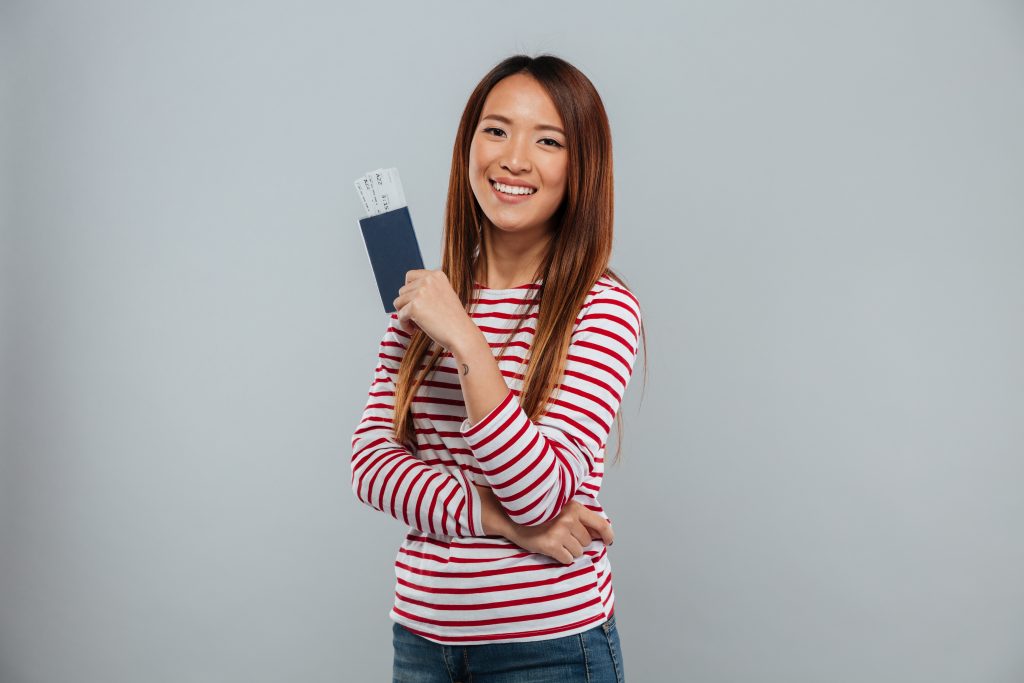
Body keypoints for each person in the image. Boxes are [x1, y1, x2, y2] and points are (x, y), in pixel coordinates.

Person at [350, 53, 646, 683]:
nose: (514, 158)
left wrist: (467, 342)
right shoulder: (423, 301)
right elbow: (372, 466)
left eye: (548, 140)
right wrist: (498, 519)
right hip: (422, 640)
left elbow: (542, 494)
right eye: (496, 129)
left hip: (550, 648)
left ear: (580, 167)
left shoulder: (601, 307)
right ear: (468, 147)